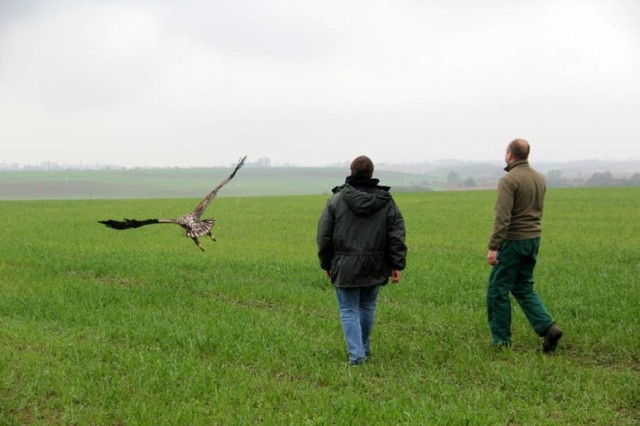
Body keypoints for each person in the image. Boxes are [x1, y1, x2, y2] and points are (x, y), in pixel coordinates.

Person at [317, 155, 407, 365]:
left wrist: (326, 262)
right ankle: (363, 350)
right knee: (367, 307)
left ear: (351, 172)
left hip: (345, 264)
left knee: (348, 310)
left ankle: (356, 356)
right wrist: (396, 264)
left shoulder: (336, 200)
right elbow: (396, 234)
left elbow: (324, 236)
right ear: (372, 174)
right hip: (375, 265)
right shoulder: (386, 201)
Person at [486, 138, 562, 353]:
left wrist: (494, 246)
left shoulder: (509, 180)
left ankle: (501, 342)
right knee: (522, 286)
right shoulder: (540, 178)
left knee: (497, 291)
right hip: (533, 239)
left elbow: (502, 217)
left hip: (513, 241)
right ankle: (548, 328)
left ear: (510, 155)